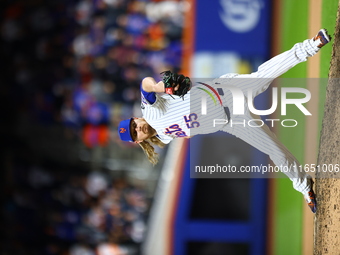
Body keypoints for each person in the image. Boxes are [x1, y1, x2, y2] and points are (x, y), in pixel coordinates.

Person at [117, 29, 332, 213]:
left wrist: (156, 87)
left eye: (134, 124)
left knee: (264, 76)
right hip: (231, 122)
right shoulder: (163, 137)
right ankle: (305, 185)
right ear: (138, 140)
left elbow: (145, 84)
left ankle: (310, 46)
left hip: (224, 92)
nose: (138, 128)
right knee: (274, 150)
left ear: (136, 118)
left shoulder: (150, 108)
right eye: (135, 133)